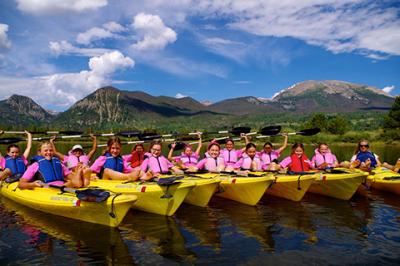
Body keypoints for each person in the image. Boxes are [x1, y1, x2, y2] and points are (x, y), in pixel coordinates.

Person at [18, 141, 83, 189]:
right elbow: (21, 184)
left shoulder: (59, 163)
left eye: (51, 150)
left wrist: (78, 172)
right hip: (47, 189)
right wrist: (33, 184)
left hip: (63, 187)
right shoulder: (35, 165)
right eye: (46, 150)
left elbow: (72, 178)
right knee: (71, 183)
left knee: (72, 183)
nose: (48, 152)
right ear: (39, 152)